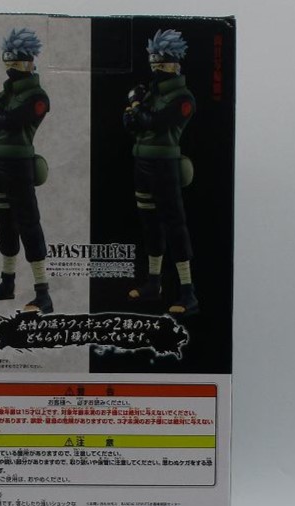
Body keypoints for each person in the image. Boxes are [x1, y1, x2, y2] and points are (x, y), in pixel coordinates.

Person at [0, 28, 53, 313]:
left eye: (17, 60)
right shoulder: (6, 93)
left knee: (28, 223)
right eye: (8, 59)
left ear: (30, 62)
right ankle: (7, 282)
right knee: (3, 222)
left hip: (19, 167)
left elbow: (9, 121)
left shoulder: (37, 96)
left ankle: (43, 293)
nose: (11, 66)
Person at [123, 29, 198, 315]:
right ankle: (153, 282)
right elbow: (132, 124)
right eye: (153, 61)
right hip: (141, 163)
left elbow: (152, 122)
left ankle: (187, 292)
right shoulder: (153, 93)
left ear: (174, 63)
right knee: (150, 223)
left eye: (161, 62)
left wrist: (135, 106)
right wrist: (135, 111)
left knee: (174, 224)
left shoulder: (183, 97)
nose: (156, 67)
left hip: (165, 166)